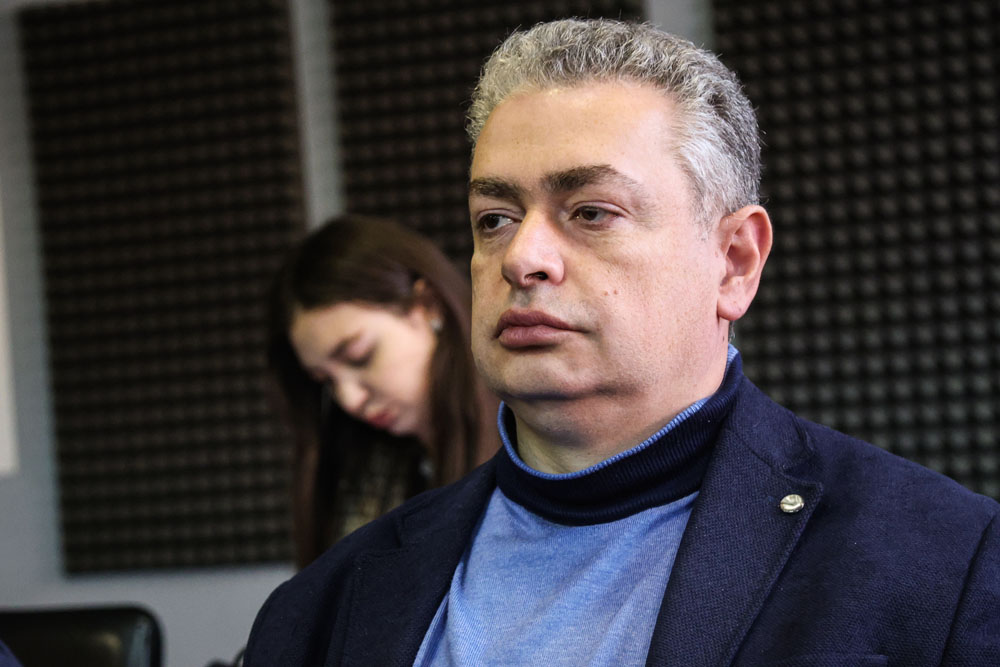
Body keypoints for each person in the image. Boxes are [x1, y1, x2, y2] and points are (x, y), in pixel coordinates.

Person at [246, 19, 1000, 665]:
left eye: (591, 211)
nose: (521, 257)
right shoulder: (323, 607)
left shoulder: (943, 566)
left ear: (734, 262)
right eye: (495, 219)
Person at [267, 215, 497, 567]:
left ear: (428, 306)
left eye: (360, 357)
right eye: (326, 381)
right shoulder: (366, 474)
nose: (350, 400)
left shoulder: (541, 442)